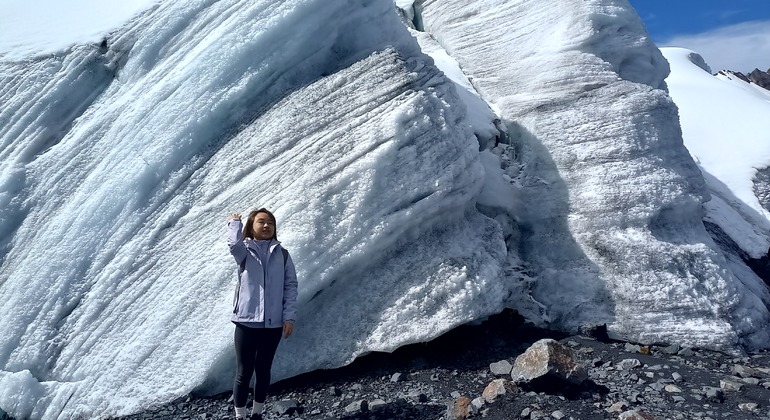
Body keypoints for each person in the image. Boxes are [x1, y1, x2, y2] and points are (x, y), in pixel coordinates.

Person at [226, 208, 298, 420]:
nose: (266, 226)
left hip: (273, 324)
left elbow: (290, 286)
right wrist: (234, 224)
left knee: (264, 371)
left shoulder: (282, 254)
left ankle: (257, 414)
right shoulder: (244, 252)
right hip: (246, 322)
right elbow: (233, 245)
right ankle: (240, 416)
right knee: (243, 372)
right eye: (261, 222)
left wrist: (289, 317)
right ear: (252, 226)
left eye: (270, 223)